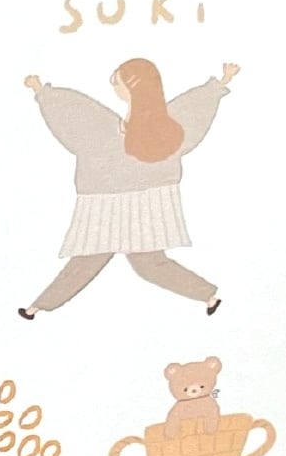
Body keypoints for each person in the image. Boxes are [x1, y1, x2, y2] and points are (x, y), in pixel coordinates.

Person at [18, 57, 239, 318]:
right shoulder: (136, 126)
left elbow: (195, 108)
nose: (115, 88)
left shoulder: (162, 127)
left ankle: (208, 295)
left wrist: (41, 92)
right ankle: (38, 306)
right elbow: (74, 115)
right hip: (120, 204)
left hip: (125, 206)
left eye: (117, 82)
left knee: (132, 263)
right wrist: (41, 91)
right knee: (126, 263)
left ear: (133, 87)